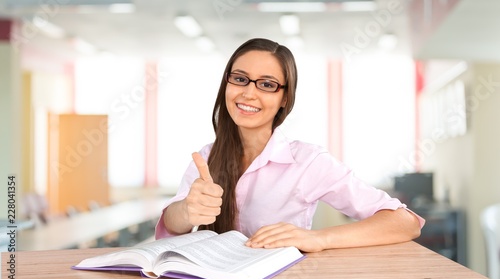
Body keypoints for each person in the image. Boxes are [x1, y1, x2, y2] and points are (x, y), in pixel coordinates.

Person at [155, 38, 424, 252]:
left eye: (267, 85)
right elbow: (172, 225)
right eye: (239, 79)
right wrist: (187, 211)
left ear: (285, 98)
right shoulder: (207, 157)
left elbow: (405, 223)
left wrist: (319, 239)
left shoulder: (308, 162)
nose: (249, 93)